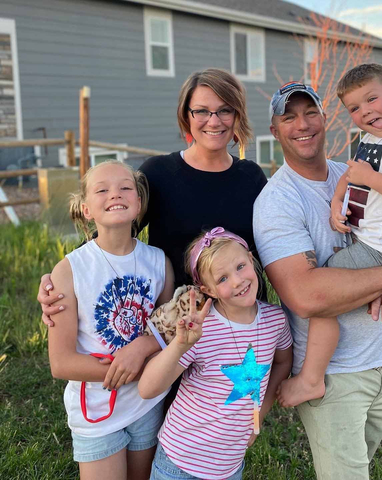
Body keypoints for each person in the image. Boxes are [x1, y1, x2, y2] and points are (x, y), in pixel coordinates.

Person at [253, 80, 382, 479]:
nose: (303, 124)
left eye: (310, 112)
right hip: (337, 377)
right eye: (289, 117)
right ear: (275, 130)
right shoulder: (277, 202)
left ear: (325, 118)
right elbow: (305, 296)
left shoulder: (356, 171)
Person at [38, 67, 267, 323]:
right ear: (186, 116)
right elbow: (111, 236)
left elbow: (270, 253)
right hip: (177, 326)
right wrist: (58, 277)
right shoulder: (159, 173)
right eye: (202, 111)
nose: (213, 121)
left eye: (225, 110)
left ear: (237, 116)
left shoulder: (252, 177)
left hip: (246, 322)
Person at [278, 64, 382, 408]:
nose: (365, 111)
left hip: (381, 245)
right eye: (354, 108)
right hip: (379, 242)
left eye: (372, 99)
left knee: (325, 289)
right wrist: (337, 201)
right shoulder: (369, 139)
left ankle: (310, 379)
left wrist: (370, 177)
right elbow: (351, 176)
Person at [47, 161, 174, 480]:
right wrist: (135, 370)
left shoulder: (159, 263)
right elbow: (61, 363)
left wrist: (145, 359)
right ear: (86, 208)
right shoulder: (70, 270)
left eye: (125, 187)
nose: (115, 194)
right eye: (102, 189)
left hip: (146, 405)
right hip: (97, 412)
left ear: (139, 202)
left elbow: (168, 329)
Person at [138, 227, 293, 480]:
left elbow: (283, 361)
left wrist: (259, 415)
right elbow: (147, 388)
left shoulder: (275, 321)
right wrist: (179, 345)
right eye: (222, 279)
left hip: (229, 468)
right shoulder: (201, 329)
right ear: (207, 290)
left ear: (252, 260)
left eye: (241, 266)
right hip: (179, 462)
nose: (237, 281)